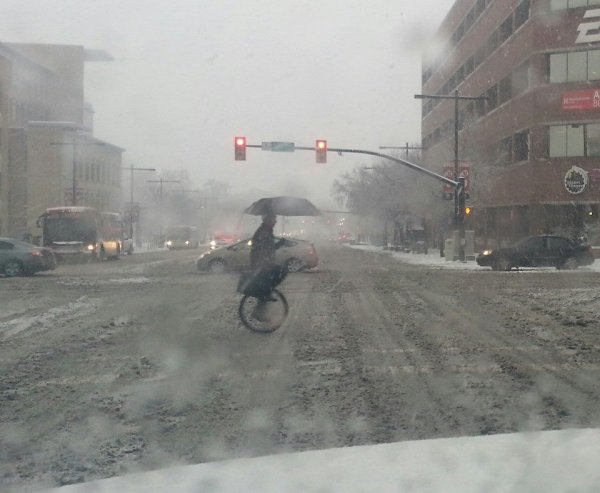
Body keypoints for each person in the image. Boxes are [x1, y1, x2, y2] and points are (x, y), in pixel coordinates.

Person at [248, 211, 286, 321]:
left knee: (269, 283)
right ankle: (259, 310)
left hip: (264, 263)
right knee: (279, 273)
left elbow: (270, 248)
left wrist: (279, 244)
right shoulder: (263, 232)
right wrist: (266, 263)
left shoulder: (267, 231)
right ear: (267, 220)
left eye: (275, 219)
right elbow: (261, 249)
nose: (275, 221)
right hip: (261, 264)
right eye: (273, 219)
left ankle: (263, 303)